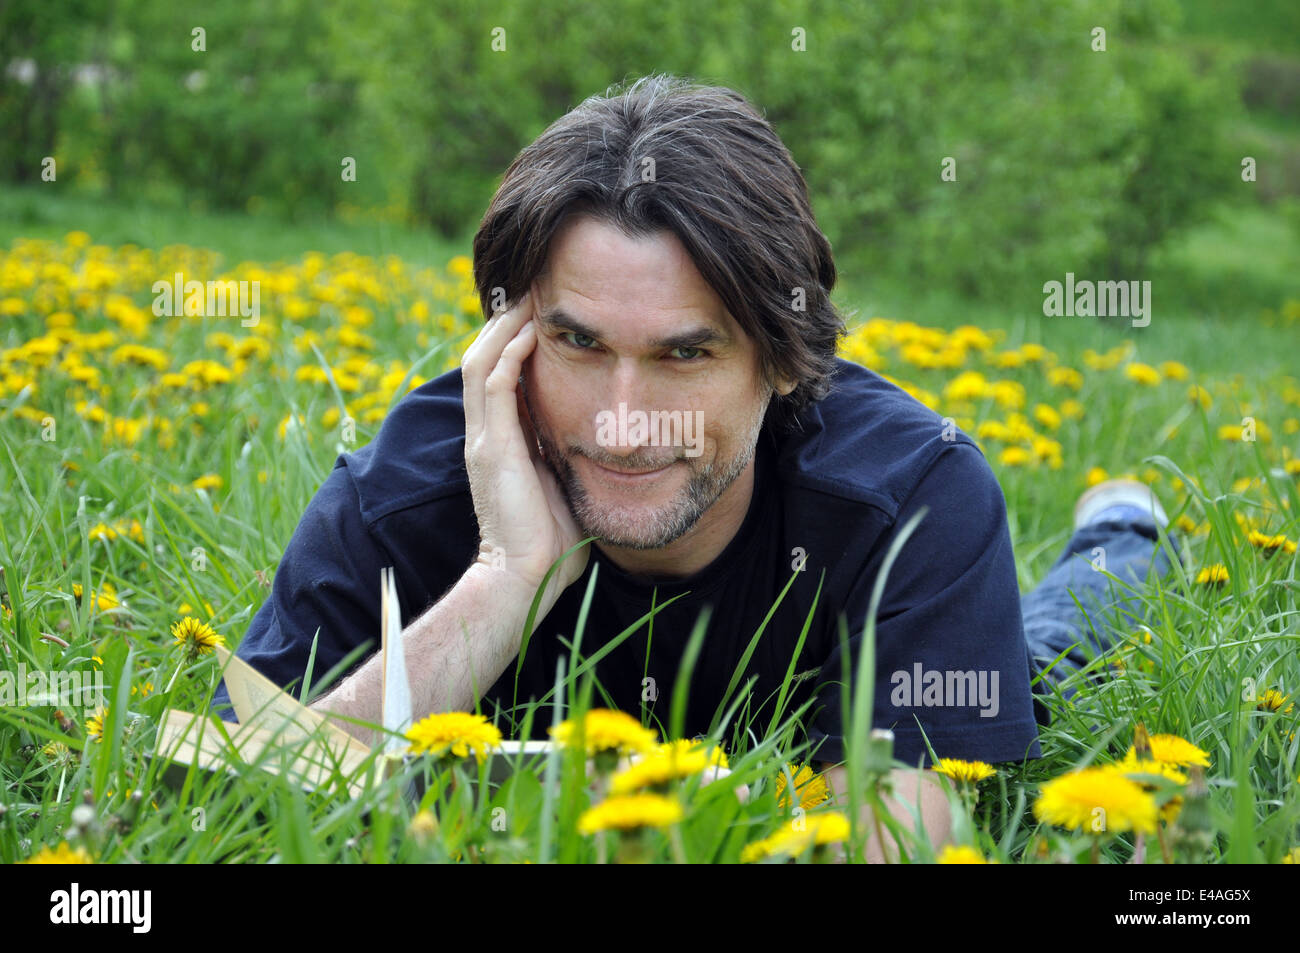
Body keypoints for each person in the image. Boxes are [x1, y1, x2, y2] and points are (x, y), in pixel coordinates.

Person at [211, 74, 1180, 861]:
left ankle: (1120, 532)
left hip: (848, 674)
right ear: (507, 338)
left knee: (1045, 659)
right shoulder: (410, 486)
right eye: (579, 343)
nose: (625, 427)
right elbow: (238, 801)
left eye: (685, 353)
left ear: (786, 355)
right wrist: (505, 578)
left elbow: (889, 844)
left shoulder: (908, 495)